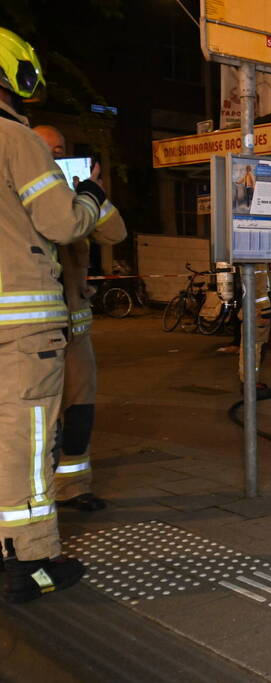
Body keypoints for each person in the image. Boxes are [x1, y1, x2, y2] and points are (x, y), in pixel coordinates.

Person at [0, 28, 106, 602]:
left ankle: (4, 546)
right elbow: (63, 224)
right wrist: (87, 194)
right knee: (28, 440)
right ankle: (33, 564)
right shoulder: (15, 139)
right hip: (22, 330)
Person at [32, 124, 127, 513]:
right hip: (34, 332)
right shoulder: (22, 194)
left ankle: (73, 487)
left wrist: (90, 193)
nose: (55, 157)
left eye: (60, 150)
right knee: (38, 421)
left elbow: (116, 233)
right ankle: (33, 495)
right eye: (47, 151)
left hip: (76, 335)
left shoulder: (77, 199)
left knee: (80, 412)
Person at [238, 264, 271, 395]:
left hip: (251, 307)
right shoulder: (259, 261)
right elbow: (260, 289)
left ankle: (248, 381)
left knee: (249, 346)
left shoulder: (249, 259)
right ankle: (250, 383)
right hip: (257, 310)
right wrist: (265, 309)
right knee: (254, 347)